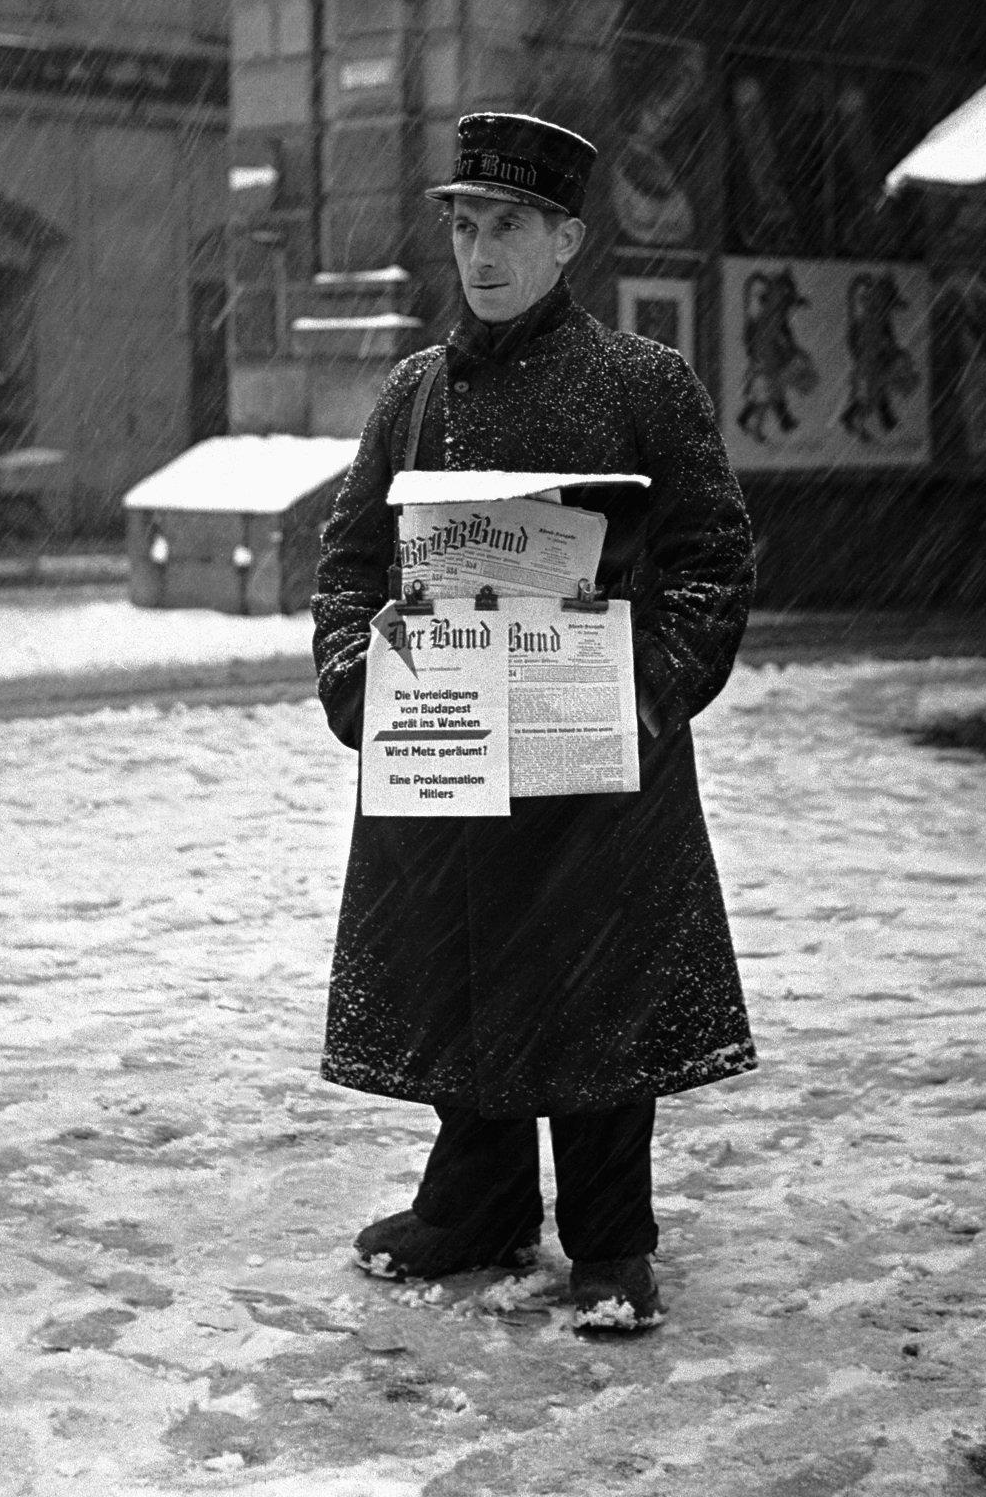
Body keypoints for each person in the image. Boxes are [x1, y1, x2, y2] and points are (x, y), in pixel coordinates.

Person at [312, 111, 758, 1334]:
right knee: (462, 971)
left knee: (596, 988)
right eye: (464, 225)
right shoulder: (412, 395)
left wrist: (643, 690)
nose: (480, 251)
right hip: (448, 752)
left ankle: (610, 1238)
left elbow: (713, 558)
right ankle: (476, 1204)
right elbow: (349, 560)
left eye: (506, 225)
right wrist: (359, 676)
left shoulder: (642, 384)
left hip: (594, 765)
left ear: (566, 240)